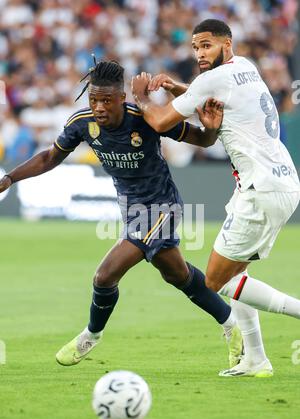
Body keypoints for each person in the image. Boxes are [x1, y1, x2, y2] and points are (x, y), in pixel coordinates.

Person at [0, 60, 244, 371]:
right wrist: (10, 178)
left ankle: (91, 334)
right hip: (131, 209)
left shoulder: (144, 118)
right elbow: (50, 157)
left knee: (105, 275)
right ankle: (231, 324)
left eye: (105, 100)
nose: (99, 107)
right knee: (177, 275)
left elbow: (203, 140)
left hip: (162, 205)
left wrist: (210, 125)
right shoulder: (82, 123)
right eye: (93, 100)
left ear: (121, 98)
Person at [131, 19, 300, 377]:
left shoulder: (212, 79)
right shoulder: (245, 68)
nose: (200, 53)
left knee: (217, 281)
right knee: (239, 271)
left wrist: (142, 97)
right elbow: (205, 97)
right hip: (280, 181)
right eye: (195, 47)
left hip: (261, 189)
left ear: (227, 42)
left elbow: (160, 122)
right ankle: (255, 359)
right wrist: (179, 87)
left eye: (206, 45)